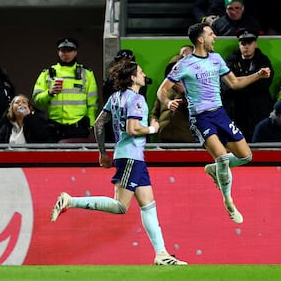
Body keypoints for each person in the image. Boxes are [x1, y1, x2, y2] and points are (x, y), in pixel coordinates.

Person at [50, 60, 187, 266]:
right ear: (132, 77)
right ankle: (71, 200)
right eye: (140, 72)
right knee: (120, 206)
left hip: (129, 157)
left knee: (148, 206)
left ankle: (161, 254)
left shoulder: (115, 97)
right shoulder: (137, 99)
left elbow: (98, 125)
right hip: (131, 156)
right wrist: (152, 129)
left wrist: (103, 153)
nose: (143, 74)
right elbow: (133, 129)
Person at [157, 22, 271, 223]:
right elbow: (162, 90)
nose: (215, 37)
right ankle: (228, 202)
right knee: (223, 158)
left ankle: (213, 169)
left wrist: (258, 75)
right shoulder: (184, 64)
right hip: (200, 118)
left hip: (220, 114)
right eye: (211, 34)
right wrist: (167, 101)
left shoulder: (217, 59)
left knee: (246, 157)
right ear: (201, 39)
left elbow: (235, 83)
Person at [32, 38, 99, 142]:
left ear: (75, 52)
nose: (66, 54)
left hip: (78, 126)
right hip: (54, 126)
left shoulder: (86, 73)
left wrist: (91, 124)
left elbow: (92, 103)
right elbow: (37, 100)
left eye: (69, 50)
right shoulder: (47, 73)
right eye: (63, 50)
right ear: (58, 52)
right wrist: (49, 93)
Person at [222, 29, 274, 141]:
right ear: (239, 44)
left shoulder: (263, 61)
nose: (246, 47)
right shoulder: (231, 61)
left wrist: (239, 83)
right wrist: (253, 78)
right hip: (236, 111)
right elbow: (226, 86)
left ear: (255, 44)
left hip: (258, 111)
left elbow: (264, 85)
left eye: (249, 43)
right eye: (243, 43)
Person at [150, 55, 196, 143]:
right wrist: (154, 122)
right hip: (163, 140)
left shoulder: (196, 89)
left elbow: (198, 112)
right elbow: (154, 113)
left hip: (187, 142)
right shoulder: (163, 90)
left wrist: (184, 92)